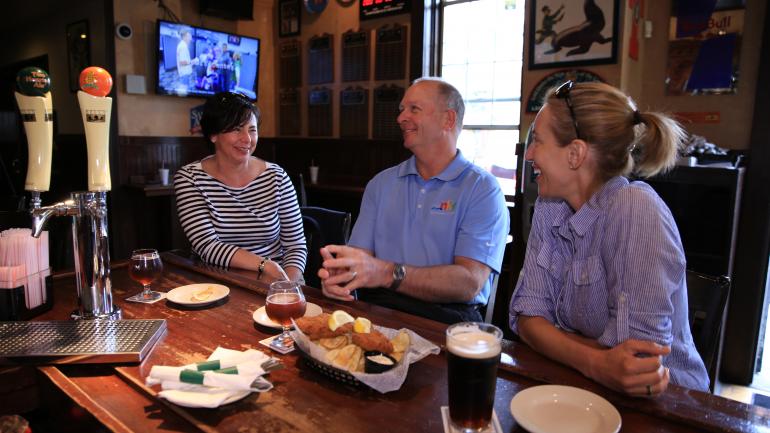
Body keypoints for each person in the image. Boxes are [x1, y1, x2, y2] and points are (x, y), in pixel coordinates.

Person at [508, 81, 709, 396]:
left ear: (575, 153)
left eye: (538, 141)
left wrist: (557, 338)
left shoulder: (634, 209)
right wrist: (596, 361)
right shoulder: (550, 206)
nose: (530, 153)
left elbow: (636, 366)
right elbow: (526, 319)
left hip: (672, 404)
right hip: (583, 386)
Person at [318, 78, 510, 324]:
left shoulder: (482, 189)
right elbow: (358, 261)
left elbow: (469, 283)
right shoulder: (381, 183)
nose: (401, 118)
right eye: (401, 110)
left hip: (448, 321)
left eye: (414, 109)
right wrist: (339, 278)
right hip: (378, 308)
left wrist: (387, 273)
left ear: (447, 120)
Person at [174, 92, 306, 282]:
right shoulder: (190, 178)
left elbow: (296, 244)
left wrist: (289, 286)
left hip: (277, 279)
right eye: (237, 129)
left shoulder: (276, 176)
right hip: (218, 281)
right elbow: (208, 246)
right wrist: (264, 265)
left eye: (252, 130)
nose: (247, 139)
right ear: (213, 134)